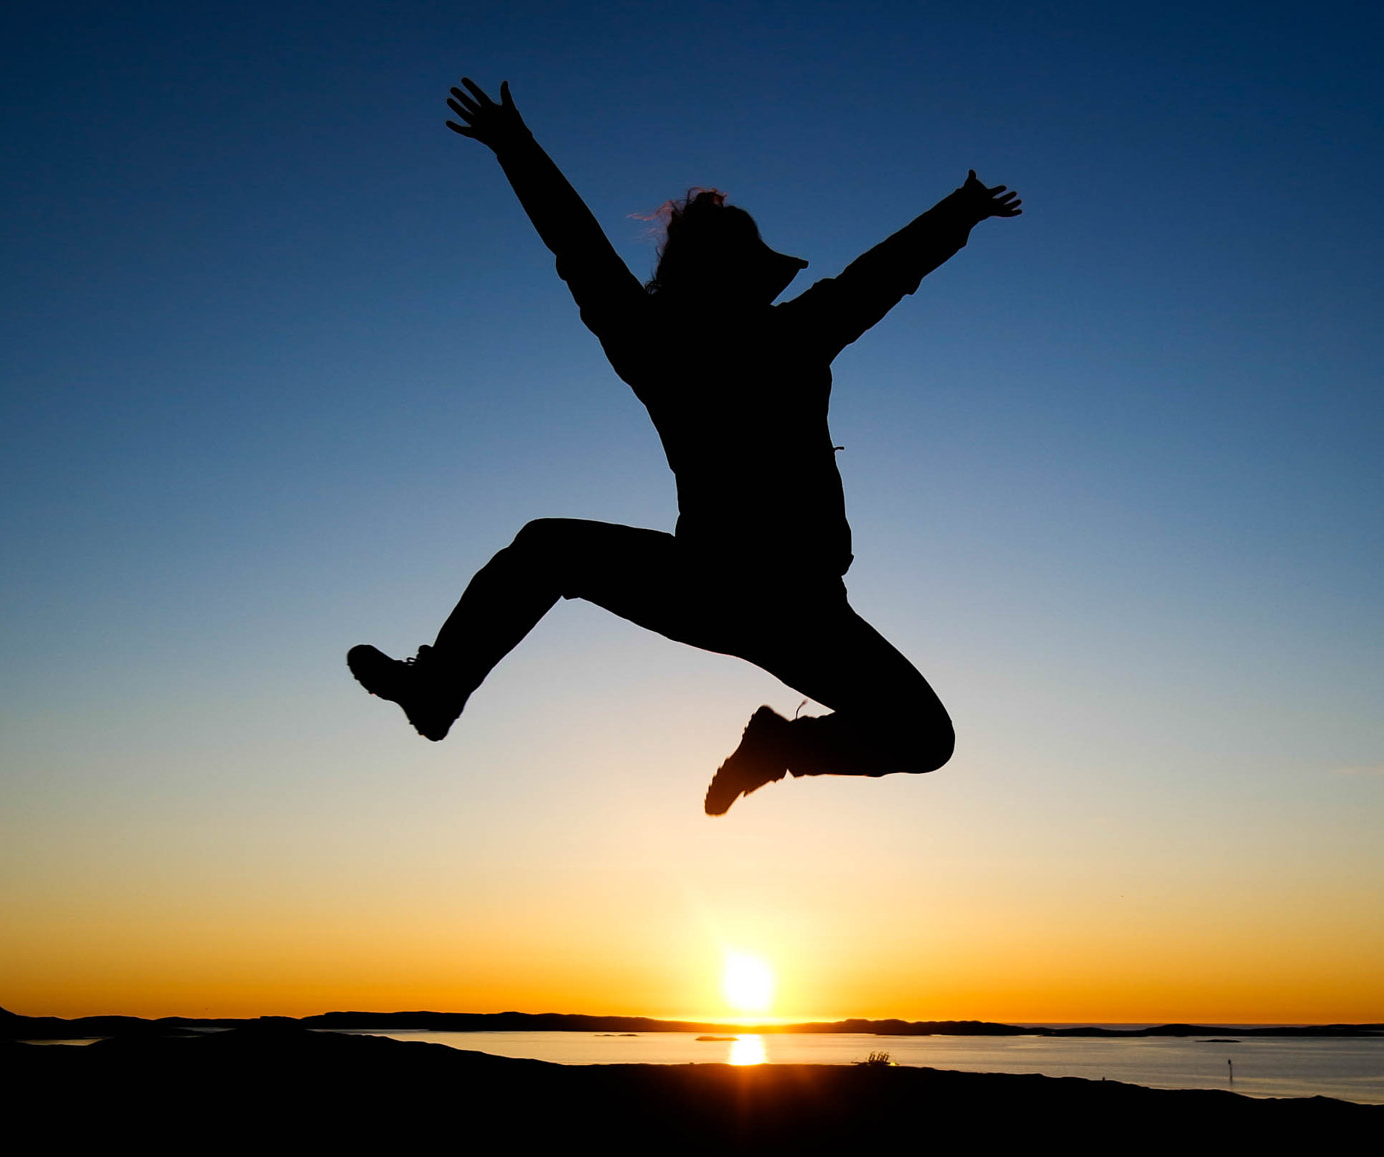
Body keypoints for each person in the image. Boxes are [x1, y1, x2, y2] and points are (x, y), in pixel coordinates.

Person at [349, 78, 1021, 815]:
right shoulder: (678, 343)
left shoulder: (779, 336)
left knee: (927, 739)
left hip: (800, 608)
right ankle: (439, 688)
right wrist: (517, 148)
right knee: (546, 548)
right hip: (719, 585)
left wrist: (959, 214)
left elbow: (878, 278)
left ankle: (777, 748)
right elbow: (579, 247)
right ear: (719, 277)